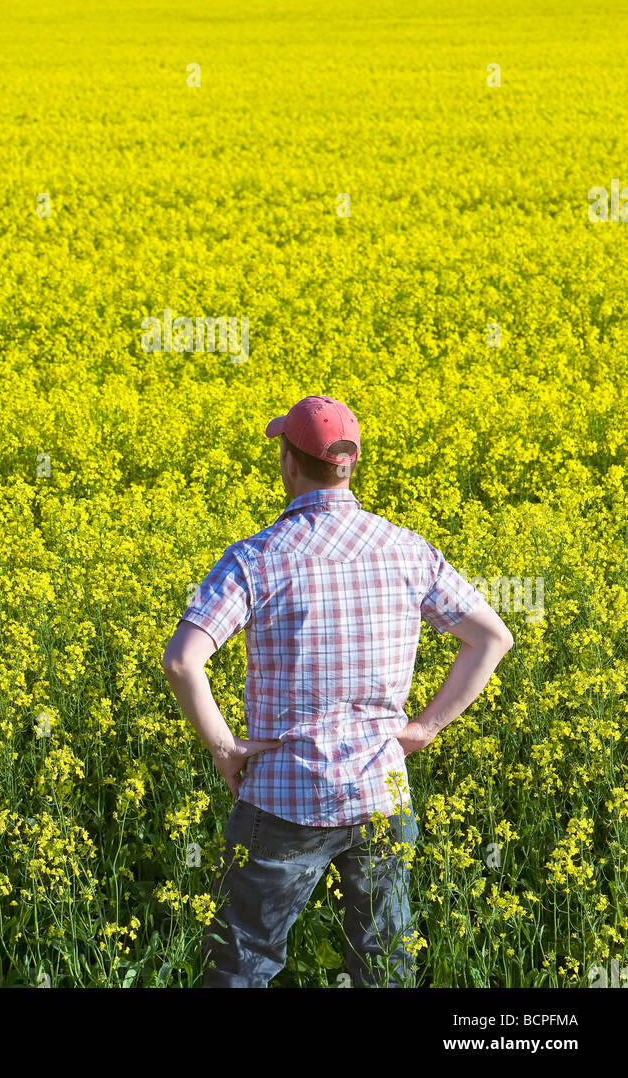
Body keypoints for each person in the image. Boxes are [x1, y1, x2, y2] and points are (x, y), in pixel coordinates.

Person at [162, 395, 514, 988]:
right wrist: (422, 730)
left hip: (283, 795)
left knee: (244, 964)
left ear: (289, 462)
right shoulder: (407, 550)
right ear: (350, 465)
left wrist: (225, 749)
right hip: (381, 792)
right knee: (383, 967)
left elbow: (181, 662)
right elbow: (490, 639)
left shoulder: (256, 558)